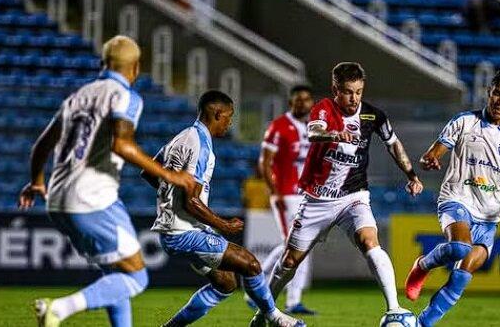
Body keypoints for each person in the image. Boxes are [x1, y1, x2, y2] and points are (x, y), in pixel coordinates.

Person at [18, 35, 196, 327]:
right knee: (137, 276)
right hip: (92, 198)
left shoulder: (77, 97)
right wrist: (171, 175)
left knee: (116, 274)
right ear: (136, 68)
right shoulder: (125, 96)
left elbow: (41, 145)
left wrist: (37, 181)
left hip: (58, 199)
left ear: (103, 63)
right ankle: (59, 309)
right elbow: (121, 145)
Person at [250, 62, 424, 325]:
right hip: (317, 200)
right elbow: (314, 131)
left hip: (353, 197)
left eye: (358, 92)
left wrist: (411, 175)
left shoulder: (373, 116)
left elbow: (393, 144)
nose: (353, 98)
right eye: (347, 92)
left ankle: (394, 308)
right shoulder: (324, 109)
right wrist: (336, 133)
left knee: (369, 241)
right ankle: (264, 312)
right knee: (290, 260)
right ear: (335, 90)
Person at [404, 69, 500, 327]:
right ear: (489, 92)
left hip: (488, 214)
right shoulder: (464, 122)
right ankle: (422, 265)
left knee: (462, 276)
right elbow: (431, 154)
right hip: (456, 198)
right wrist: (430, 160)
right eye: (497, 94)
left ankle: (422, 324)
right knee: (459, 247)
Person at [141, 90, 305, 327]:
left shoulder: (182, 137)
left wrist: (169, 194)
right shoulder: (200, 145)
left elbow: (149, 172)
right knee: (250, 263)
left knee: (226, 282)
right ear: (217, 114)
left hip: (179, 228)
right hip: (183, 232)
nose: (230, 123)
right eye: (229, 117)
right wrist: (224, 225)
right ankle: (274, 318)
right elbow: (191, 201)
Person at [248, 85, 316, 315]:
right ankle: (275, 295)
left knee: (297, 246)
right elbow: (264, 163)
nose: (302, 104)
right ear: (291, 103)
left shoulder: (313, 127)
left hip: (305, 195)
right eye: (298, 100)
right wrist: (274, 191)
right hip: (286, 194)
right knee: (297, 246)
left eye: (306, 100)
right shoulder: (279, 126)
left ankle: (259, 291)